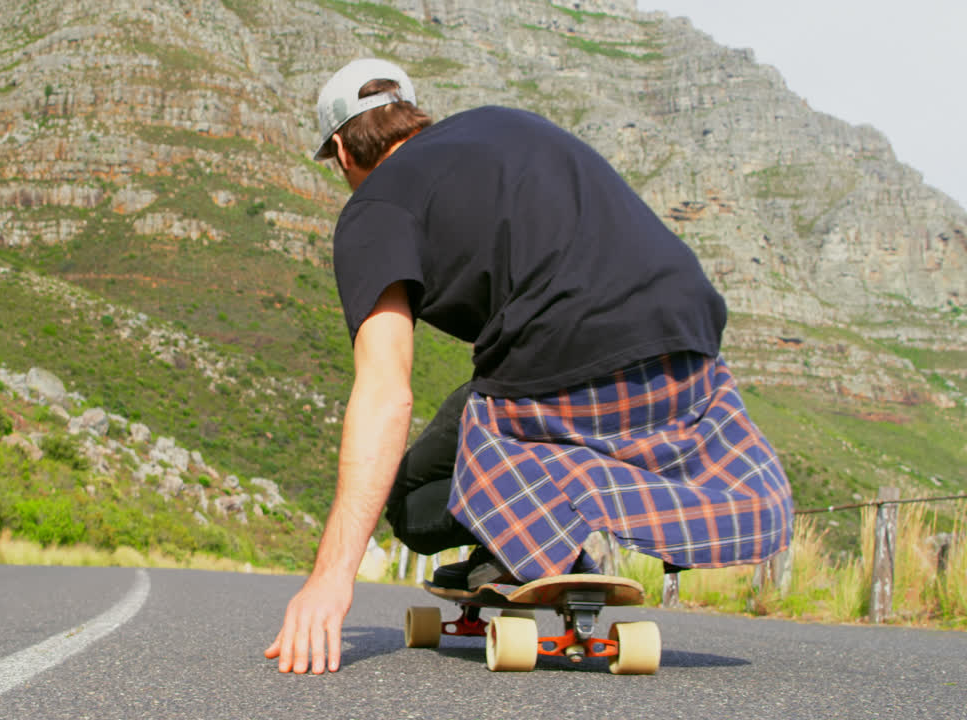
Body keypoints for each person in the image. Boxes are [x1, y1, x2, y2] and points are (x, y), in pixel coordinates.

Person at [264, 58, 793, 675]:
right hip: (689, 351)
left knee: (409, 498)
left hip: (558, 365)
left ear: (340, 149)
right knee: (506, 400)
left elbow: (386, 392)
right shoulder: (505, 122)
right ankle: (550, 520)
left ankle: (525, 539)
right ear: (409, 113)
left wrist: (331, 577)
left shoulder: (374, 207)